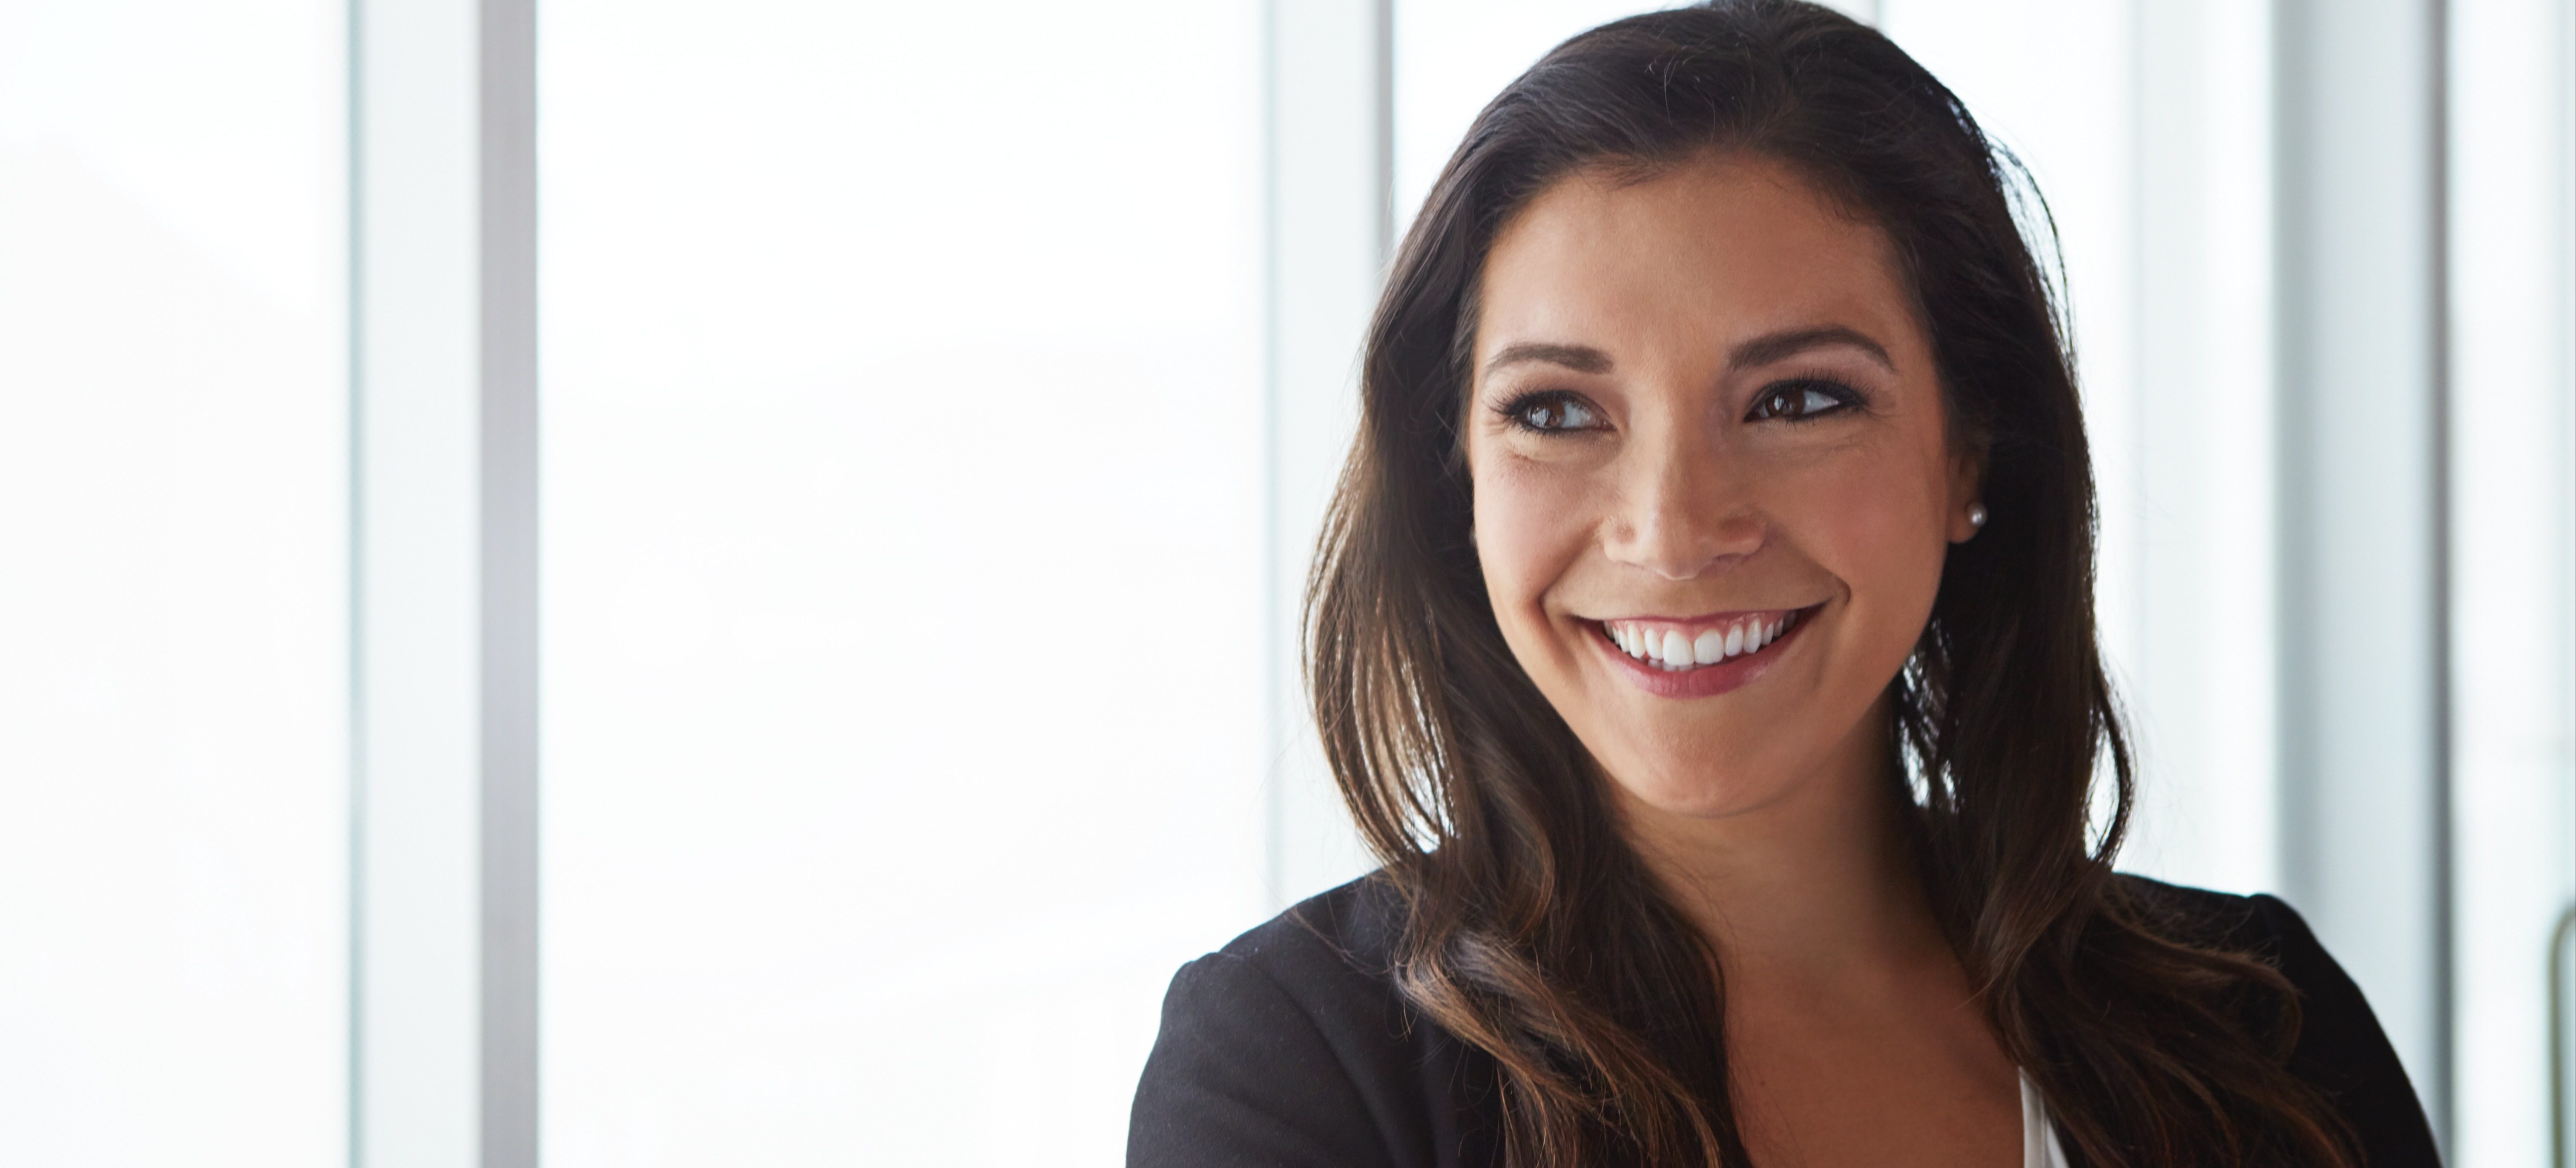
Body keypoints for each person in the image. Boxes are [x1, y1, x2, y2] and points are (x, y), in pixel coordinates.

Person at [1127, 3, 2441, 1165]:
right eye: (1556, 412)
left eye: (1796, 399)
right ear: (1454, 473)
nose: (1673, 530)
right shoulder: (1296, 1069)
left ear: (1968, 451)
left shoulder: (2266, 1030)